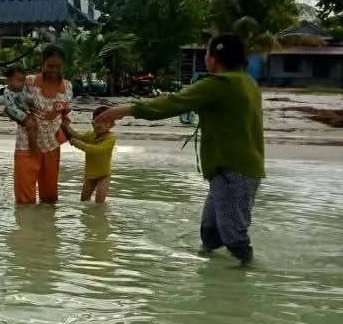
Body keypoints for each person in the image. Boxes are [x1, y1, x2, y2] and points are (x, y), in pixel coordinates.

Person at [98, 33, 264, 263]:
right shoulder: (247, 82)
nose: (206, 57)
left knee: (234, 238)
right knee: (210, 232)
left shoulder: (220, 84)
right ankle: (211, 276)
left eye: (207, 53)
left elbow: (171, 104)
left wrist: (124, 109)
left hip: (233, 170)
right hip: (230, 170)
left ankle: (247, 277)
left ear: (214, 59)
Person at [14, 45, 72, 205]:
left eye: (58, 66)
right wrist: (29, 125)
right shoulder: (29, 82)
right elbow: (14, 107)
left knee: (49, 197)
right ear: (43, 63)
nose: (54, 70)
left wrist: (71, 134)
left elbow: (66, 112)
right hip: (26, 141)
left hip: (51, 143)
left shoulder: (67, 86)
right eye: (50, 66)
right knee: (24, 198)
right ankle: (26, 227)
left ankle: (47, 228)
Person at [63, 106, 117, 203]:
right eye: (97, 121)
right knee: (83, 200)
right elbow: (77, 136)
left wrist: (77, 143)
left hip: (103, 175)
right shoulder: (90, 135)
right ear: (92, 122)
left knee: (99, 201)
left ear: (111, 124)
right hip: (90, 174)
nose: (99, 125)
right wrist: (66, 126)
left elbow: (96, 150)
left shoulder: (110, 138)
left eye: (104, 122)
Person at [3, 64, 39, 154]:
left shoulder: (23, 87)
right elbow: (11, 108)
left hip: (27, 111)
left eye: (23, 80)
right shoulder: (7, 93)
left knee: (36, 125)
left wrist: (32, 102)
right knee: (31, 126)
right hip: (19, 113)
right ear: (9, 81)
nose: (22, 83)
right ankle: (33, 147)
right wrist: (25, 118)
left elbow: (28, 97)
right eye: (19, 80)